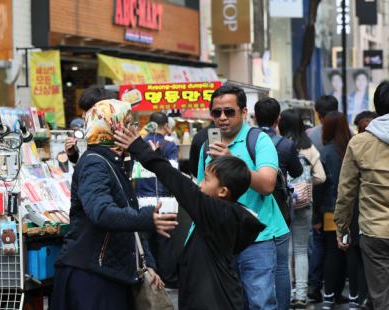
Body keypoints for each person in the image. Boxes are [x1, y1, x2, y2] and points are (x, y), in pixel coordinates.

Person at [114, 126, 266, 310]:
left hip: (211, 302)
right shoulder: (229, 213)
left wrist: (139, 147)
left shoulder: (216, 212)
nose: (200, 184)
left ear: (223, 191)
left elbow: (177, 181)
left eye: (207, 179)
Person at [51, 99, 178, 310]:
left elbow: (128, 216)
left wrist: (147, 263)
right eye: (129, 124)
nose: (134, 130)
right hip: (91, 276)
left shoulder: (113, 161)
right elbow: (100, 212)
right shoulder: (95, 162)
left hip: (108, 271)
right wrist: (147, 218)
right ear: (113, 128)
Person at [197, 84, 287, 309]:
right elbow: (201, 190)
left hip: (258, 238)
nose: (222, 118)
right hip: (221, 240)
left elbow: (267, 184)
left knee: (260, 303)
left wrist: (234, 164)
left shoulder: (259, 141)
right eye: (217, 113)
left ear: (244, 113)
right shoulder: (208, 146)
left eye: (229, 112)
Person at [334, 81, 389, 310]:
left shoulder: (359, 142)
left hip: (374, 232)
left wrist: (342, 229)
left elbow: (346, 192)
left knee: (380, 297)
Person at [254, 97, 303, 310]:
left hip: (252, 206)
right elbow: (298, 173)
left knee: (253, 263)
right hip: (279, 209)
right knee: (281, 265)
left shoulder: (249, 141)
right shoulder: (286, 145)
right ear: (278, 119)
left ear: (254, 117)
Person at [278, 109, 326, 309]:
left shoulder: (279, 146)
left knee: (285, 251)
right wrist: (306, 186)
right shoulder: (309, 148)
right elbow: (322, 176)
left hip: (282, 204)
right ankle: (301, 295)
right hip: (304, 203)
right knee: (300, 250)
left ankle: (287, 294)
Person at [311, 111, 358, 310]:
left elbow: (320, 187)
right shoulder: (352, 148)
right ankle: (354, 296)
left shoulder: (326, 152)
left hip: (331, 212)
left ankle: (329, 295)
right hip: (352, 210)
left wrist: (317, 216)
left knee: (333, 252)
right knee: (350, 252)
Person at [134, 112, 179, 289]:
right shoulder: (169, 145)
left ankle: (149, 279)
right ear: (165, 126)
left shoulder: (139, 144)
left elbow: (134, 174)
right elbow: (172, 172)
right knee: (165, 242)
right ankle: (167, 279)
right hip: (164, 202)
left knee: (146, 243)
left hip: (142, 201)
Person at [306, 95, 339, 303]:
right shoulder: (347, 133)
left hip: (317, 197)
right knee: (334, 246)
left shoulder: (310, 135)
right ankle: (333, 289)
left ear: (318, 113)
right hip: (338, 201)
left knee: (317, 244)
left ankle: (315, 285)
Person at [65, 85, 117, 164]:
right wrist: (72, 154)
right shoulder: (89, 132)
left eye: (86, 111)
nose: (83, 116)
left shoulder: (118, 134)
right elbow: (84, 160)